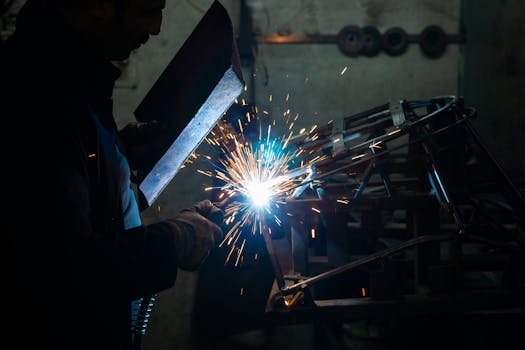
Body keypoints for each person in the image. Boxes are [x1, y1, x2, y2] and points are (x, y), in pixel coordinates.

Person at [1, 0, 223, 349]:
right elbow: (68, 271)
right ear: (99, 4)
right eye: (147, 10)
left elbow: (70, 190)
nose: (156, 29)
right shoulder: (35, 97)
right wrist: (174, 239)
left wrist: (117, 151)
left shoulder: (69, 80)